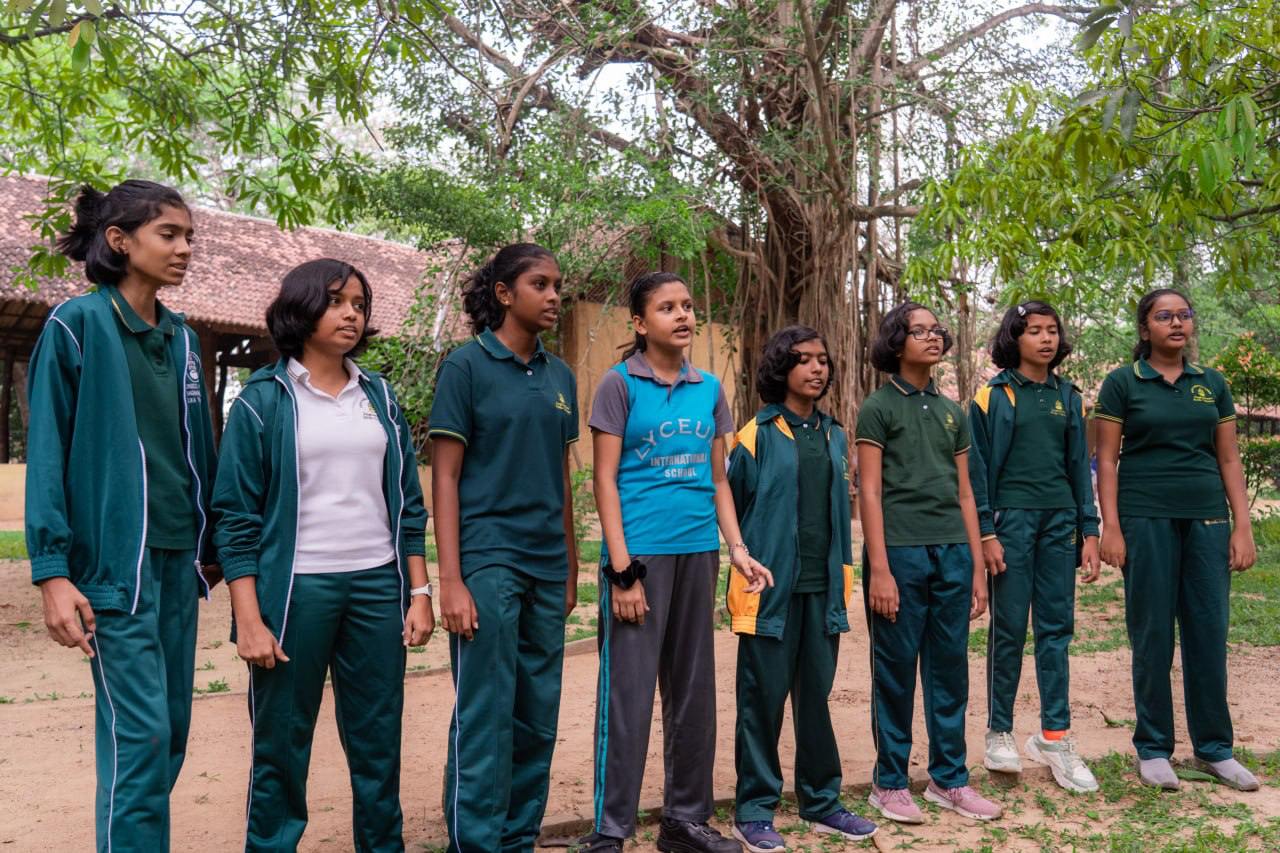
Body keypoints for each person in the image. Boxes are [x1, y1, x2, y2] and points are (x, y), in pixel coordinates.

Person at [26, 180, 219, 851]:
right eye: (169, 233)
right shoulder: (75, 326)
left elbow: (201, 451)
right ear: (119, 240)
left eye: (189, 235)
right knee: (141, 737)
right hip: (113, 570)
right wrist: (53, 571)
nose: (185, 248)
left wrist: (217, 549)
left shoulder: (184, 339)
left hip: (178, 565)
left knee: (167, 739)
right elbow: (47, 452)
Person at [213, 258, 432, 850]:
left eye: (359, 304)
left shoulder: (380, 396)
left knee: (378, 744)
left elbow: (409, 505)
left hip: (376, 588)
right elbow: (234, 519)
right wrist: (250, 620)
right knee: (281, 747)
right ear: (302, 308)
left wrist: (419, 592)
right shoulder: (262, 400)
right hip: (295, 593)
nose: (351, 314)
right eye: (336, 301)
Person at [582, 272, 772, 853]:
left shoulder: (708, 387)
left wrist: (736, 549)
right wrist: (621, 571)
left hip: (699, 554)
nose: (683, 316)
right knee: (629, 697)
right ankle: (610, 831)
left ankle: (684, 821)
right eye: (667, 308)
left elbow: (717, 479)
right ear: (640, 323)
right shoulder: (618, 386)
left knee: (692, 694)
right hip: (639, 558)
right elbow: (605, 480)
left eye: (688, 306)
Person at [428, 243, 580, 853]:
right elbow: (444, 477)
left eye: (557, 286)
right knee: (487, 712)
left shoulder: (561, 375)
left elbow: (562, 476)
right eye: (539, 284)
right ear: (503, 293)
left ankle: (518, 839)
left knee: (537, 711)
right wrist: (451, 579)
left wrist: (570, 566)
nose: (552, 297)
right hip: (489, 558)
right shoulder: (466, 367)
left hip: (547, 565)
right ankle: (476, 842)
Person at [1094, 288, 1258, 792]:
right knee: (1153, 635)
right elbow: (1106, 460)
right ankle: (1153, 748)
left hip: (1207, 519)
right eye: (1164, 317)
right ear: (1145, 330)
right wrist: (1112, 527)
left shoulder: (1213, 384)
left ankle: (1214, 750)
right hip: (1146, 520)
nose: (1176, 324)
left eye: (1184, 315)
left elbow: (1228, 458)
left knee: (1208, 633)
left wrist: (1242, 524)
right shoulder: (1123, 383)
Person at [726, 326, 878, 852]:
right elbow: (732, 507)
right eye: (804, 360)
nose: (817, 369)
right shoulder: (755, 434)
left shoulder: (837, 435)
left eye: (822, 360)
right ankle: (754, 810)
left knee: (815, 698)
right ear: (780, 368)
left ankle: (821, 802)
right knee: (761, 701)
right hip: (767, 591)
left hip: (823, 590)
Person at [856, 301, 1001, 825]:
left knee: (949, 673)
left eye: (936, 330)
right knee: (895, 672)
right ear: (897, 343)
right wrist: (879, 568)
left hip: (953, 555)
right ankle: (889, 782)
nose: (932, 337)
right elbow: (869, 491)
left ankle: (949, 779)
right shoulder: (878, 407)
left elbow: (966, 492)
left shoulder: (951, 411)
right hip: (900, 552)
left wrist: (978, 567)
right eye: (919, 331)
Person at [968, 300, 1102, 793]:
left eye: (1052, 331)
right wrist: (986, 532)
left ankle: (1055, 736)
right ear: (1014, 337)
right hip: (1011, 524)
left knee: (1055, 630)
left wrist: (1090, 531)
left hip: (1059, 523)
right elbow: (976, 470)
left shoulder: (1071, 397)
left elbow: (1079, 470)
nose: (1045, 339)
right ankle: (999, 731)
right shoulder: (992, 396)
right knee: (1008, 628)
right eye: (1033, 331)